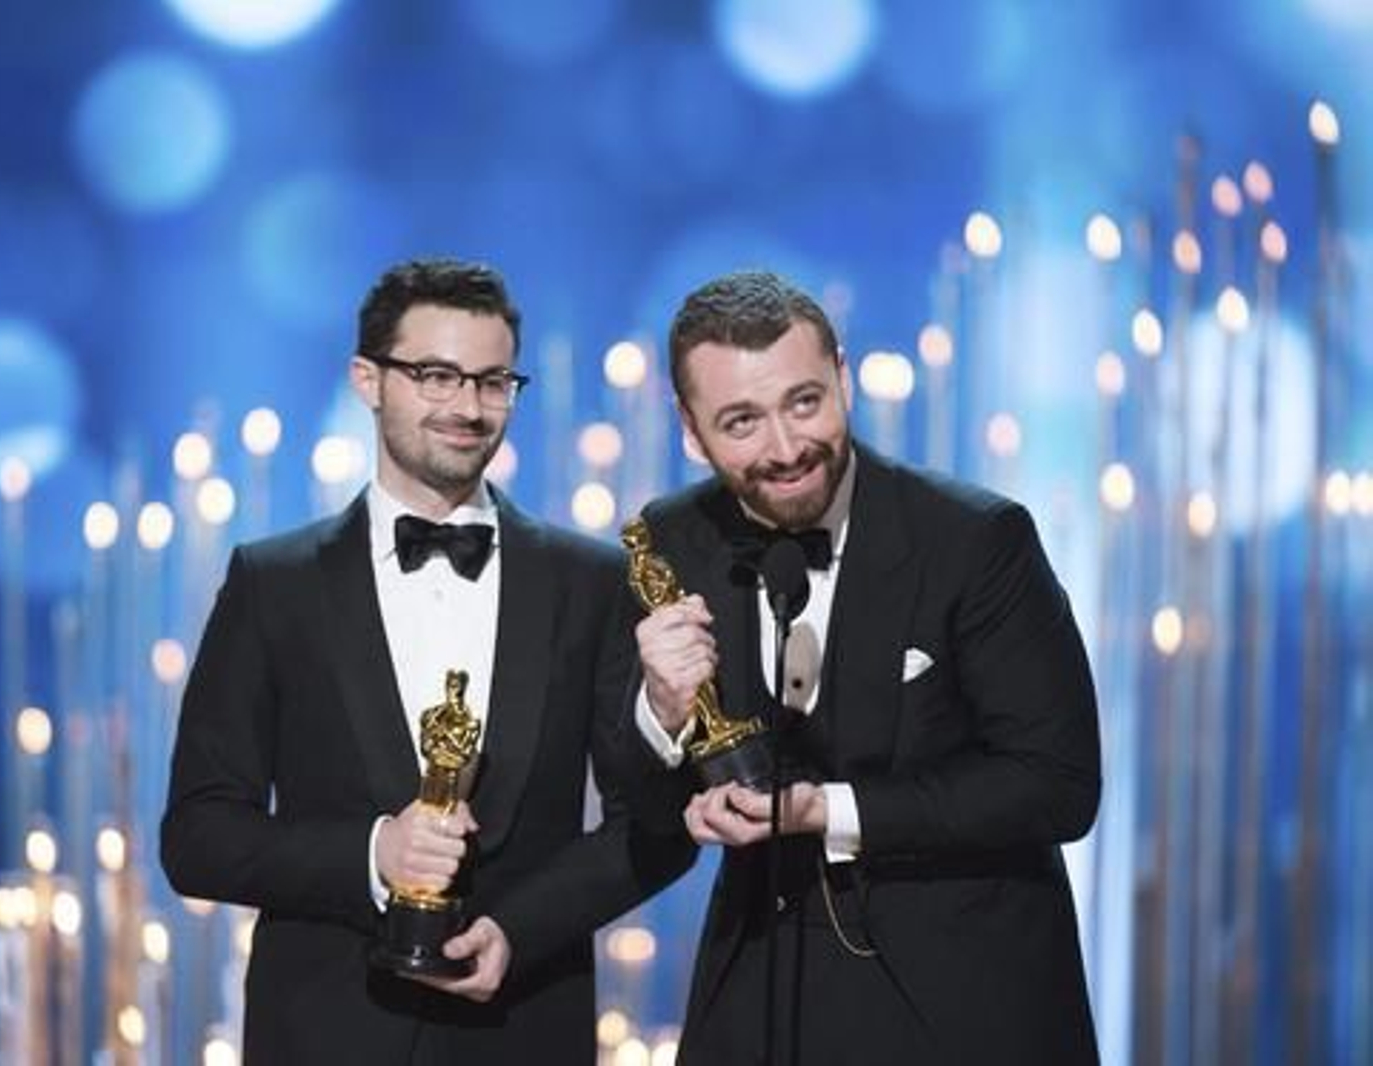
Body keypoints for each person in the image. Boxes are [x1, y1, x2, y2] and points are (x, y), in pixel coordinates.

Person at [161, 258, 690, 1065]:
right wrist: (373, 854)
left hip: (524, 1031)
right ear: (367, 380)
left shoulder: (589, 582)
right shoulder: (275, 584)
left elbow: (651, 830)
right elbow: (198, 835)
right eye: (437, 376)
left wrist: (519, 932)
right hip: (324, 1036)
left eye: (492, 382)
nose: (468, 408)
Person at [617, 271, 1101, 1064]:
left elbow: (1057, 784)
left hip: (963, 995)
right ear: (691, 431)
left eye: (805, 402)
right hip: (760, 988)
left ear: (841, 376)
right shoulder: (668, 545)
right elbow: (635, 800)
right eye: (741, 421)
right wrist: (662, 716)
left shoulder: (977, 541)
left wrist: (825, 811)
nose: (785, 448)